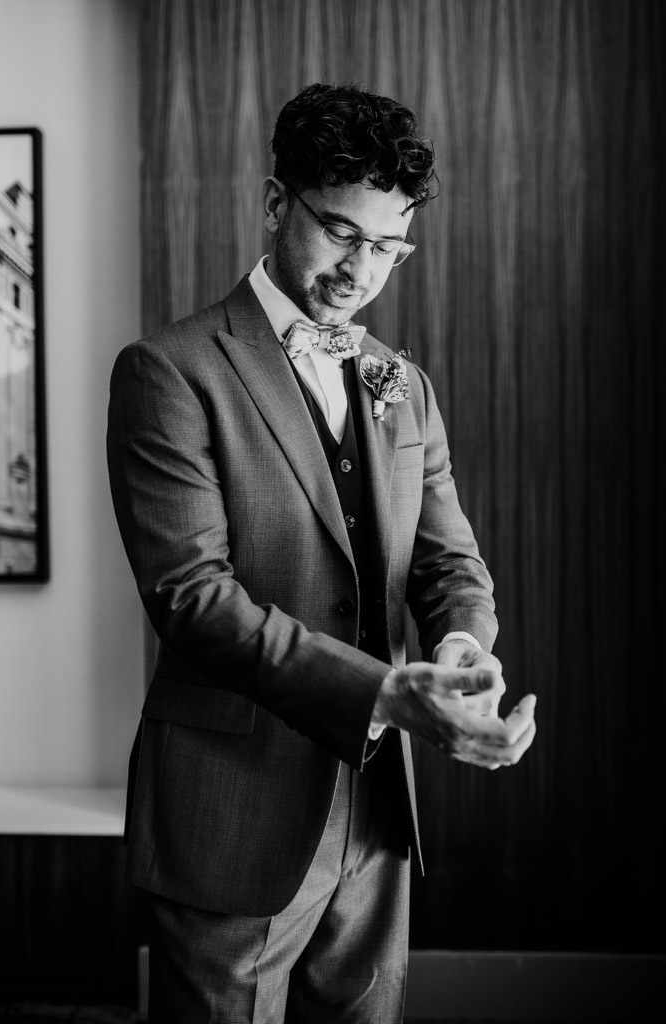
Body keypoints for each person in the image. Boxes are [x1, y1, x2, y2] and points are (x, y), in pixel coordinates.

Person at [107, 82, 536, 1024]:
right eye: (341, 232)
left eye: (388, 246)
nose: (362, 269)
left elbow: (447, 564)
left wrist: (463, 650)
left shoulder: (403, 383)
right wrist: (383, 692)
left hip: (378, 810)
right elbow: (190, 597)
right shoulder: (169, 371)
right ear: (273, 202)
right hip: (231, 805)